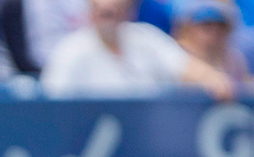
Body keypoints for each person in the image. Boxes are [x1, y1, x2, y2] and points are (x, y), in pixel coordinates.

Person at [40, 0, 235, 99]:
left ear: (129, 9)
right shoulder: (69, 52)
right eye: (104, 12)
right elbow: (54, 106)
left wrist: (214, 80)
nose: (110, 12)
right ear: (91, 10)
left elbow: (185, 67)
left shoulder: (146, 38)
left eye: (115, 9)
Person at [173, 0, 250, 86]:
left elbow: (245, 86)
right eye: (206, 25)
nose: (214, 31)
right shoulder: (175, 53)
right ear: (188, 27)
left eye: (220, 25)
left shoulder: (233, 59)